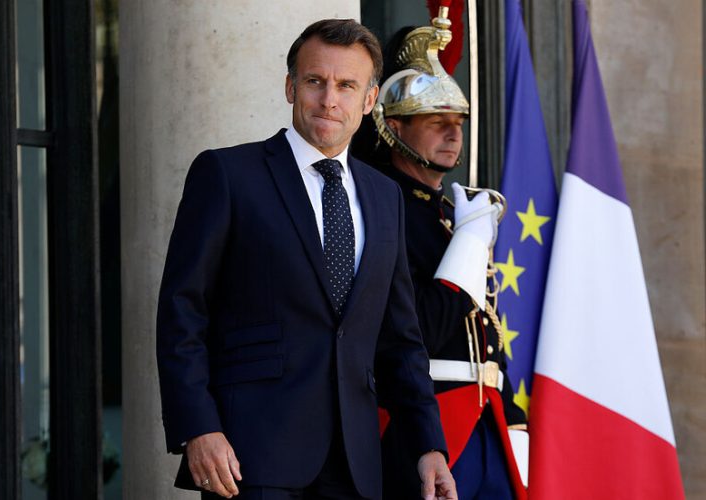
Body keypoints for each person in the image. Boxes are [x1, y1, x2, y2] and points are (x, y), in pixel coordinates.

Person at [156, 18, 457, 500]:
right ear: (290, 87)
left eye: (346, 85)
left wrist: (428, 445)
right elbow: (182, 312)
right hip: (248, 457)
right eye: (316, 81)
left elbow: (401, 339)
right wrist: (198, 427)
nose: (329, 99)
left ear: (370, 100)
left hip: (356, 466)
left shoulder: (385, 197)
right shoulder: (228, 175)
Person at [353, 12, 528, 500]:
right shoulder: (382, 206)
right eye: (436, 122)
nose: (454, 134)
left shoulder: (450, 212)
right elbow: (421, 327)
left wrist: (513, 414)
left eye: (458, 123)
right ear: (394, 128)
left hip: (488, 416)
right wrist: (469, 245)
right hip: (426, 420)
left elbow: (485, 331)